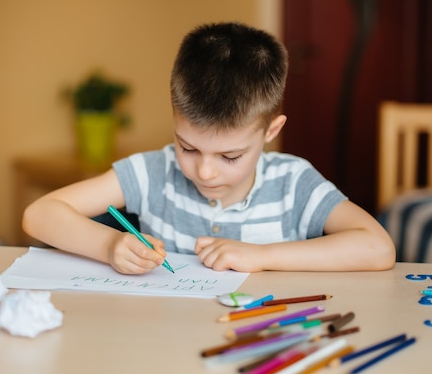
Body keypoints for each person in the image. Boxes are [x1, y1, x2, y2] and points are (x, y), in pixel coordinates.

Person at [23, 22, 395, 275]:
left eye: (230, 156)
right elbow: (39, 214)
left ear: (271, 130)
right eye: (187, 147)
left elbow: (379, 249)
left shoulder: (294, 183)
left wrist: (262, 256)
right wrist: (108, 246)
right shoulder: (153, 172)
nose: (204, 172)